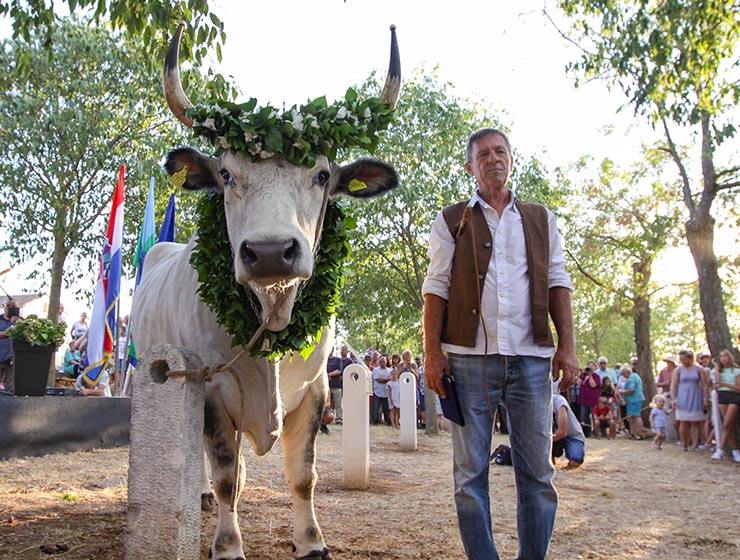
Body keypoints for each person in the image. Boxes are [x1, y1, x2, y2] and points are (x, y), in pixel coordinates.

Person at [422, 128, 578, 560]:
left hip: (532, 359)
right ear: (470, 167)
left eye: (500, 151)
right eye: (483, 154)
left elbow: (558, 282)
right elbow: (436, 286)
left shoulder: (540, 218)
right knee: (470, 475)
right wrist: (433, 353)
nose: (493, 158)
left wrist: (567, 346)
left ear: (511, 160)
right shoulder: (452, 219)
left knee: (538, 473)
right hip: (469, 361)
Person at [671, 349, 709, 451]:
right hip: (683, 395)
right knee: (684, 421)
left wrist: (706, 398)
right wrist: (673, 399)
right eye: (681, 359)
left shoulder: (699, 369)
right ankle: (684, 443)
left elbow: (705, 385)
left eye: (685, 359)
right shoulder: (678, 370)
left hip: (696, 395)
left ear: (690, 358)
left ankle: (695, 444)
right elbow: (674, 385)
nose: (683, 362)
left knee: (695, 422)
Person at [710, 349, 740, 462]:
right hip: (722, 396)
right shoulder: (717, 370)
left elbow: (738, 387)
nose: (723, 358)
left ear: (730, 357)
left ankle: (720, 450)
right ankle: (735, 450)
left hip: (734, 396)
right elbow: (716, 382)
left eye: (725, 356)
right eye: (721, 356)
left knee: (727, 423)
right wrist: (717, 367)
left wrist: (724, 384)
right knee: (728, 425)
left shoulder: (736, 371)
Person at [552, 389, 585, 469]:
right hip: (553, 435)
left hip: (573, 436)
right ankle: (551, 457)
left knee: (575, 461)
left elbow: (562, 432)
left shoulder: (559, 401)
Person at [619, 366, 645, 439]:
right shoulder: (636, 376)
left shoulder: (631, 379)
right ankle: (633, 433)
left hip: (634, 399)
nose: (624, 377)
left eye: (624, 375)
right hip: (637, 398)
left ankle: (639, 433)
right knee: (632, 416)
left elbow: (631, 390)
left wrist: (622, 392)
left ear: (627, 373)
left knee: (636, 416)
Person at [0, 300, 20, 392]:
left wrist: (18, 323)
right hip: (0, 354)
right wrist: (8, 333)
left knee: (10, 387)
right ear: (4, 307)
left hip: (12, 357)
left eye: (13, 306)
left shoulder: (20, 321)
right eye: (8, 306)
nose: (10, 308)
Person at [578, 364, 601, 436]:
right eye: (589, 365)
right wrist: (582, 374)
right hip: (584, 399)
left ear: (595, 367)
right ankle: (587, 432)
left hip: (593, 399)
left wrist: (590, 375)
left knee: (594, 416)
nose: (590, 367)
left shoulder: (596, 376)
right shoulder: (583, 376)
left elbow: (593, 385)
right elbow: (578, 383)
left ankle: (595, 431)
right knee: (585, 416)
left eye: (592, 365)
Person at [371, 356, 392, 425]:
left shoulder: (390, 370)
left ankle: (388, 420)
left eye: (384, 361)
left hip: (386, 391)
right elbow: (378, 380)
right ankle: (375, 420)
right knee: (376, 407)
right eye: (381, 361)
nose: (382, 363)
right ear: (379, 362)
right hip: (378, 391)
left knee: (386, 407)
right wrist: (388, 379)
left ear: (386, 362)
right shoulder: (375, 370)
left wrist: (386, 380)